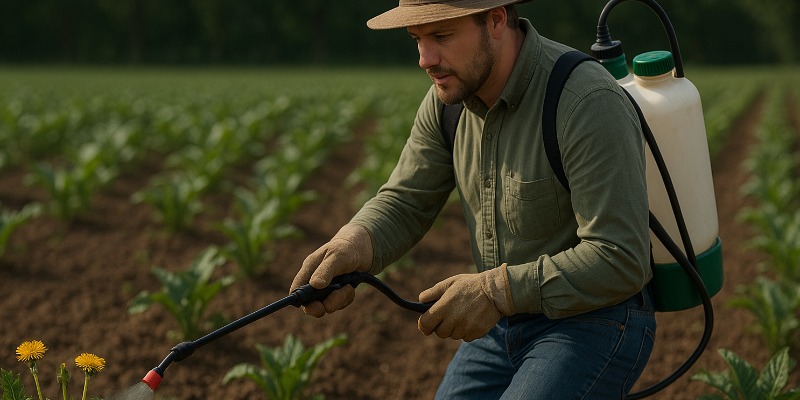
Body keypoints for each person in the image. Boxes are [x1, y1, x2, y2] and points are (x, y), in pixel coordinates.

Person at [290, 0, 656, 398]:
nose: (425, 60)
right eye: (417, 40)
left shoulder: (584, 101)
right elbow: (405, 200)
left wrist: (495, 291)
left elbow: (619, 257)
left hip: (595, 320)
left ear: (496, 20)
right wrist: (353, 244)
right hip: (501, 323)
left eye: (442, 36)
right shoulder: (447, 101)